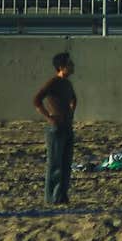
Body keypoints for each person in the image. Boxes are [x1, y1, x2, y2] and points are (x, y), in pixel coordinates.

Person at [33, 51, 77, 207]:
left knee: (66, 163)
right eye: (69, 64)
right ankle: (52, 197)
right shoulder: (53, 82)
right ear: (61, 67)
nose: (72, 67)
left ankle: (62, 196)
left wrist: (71, 112)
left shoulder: (67, 83)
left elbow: (73, 99)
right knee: (55, 164)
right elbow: (37, 100)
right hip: (56, 127)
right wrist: (49, 117)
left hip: (67, 126)